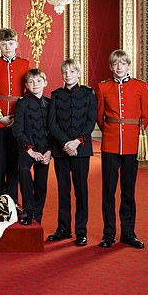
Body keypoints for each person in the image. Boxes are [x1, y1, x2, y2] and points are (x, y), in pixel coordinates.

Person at [96, 49, 148, 249]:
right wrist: (112, 131)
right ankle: (108, 234)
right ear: (111, 67)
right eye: (115, 64)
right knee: (108, 191)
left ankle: (128, 233)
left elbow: (146, 114)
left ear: (129, 66)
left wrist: (132, 133)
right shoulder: (103, 87)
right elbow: (100, 116)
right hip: (110, 145)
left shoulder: (140, 86)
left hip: (131, 145)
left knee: (128, 191)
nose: (119, 67)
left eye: (123, 63)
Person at [47, 59, 97, 246]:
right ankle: (63, 228)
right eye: (65, 72)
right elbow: (52, 123)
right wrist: (66, 143)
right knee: (63, 191)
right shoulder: (56, 95)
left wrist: (76, 142)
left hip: (81, 150)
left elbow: (90, 121)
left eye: (72, 72)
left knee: (81, 191)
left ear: (78, 73)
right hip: (61, 150)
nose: (68, 75)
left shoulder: (88, 94)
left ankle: (81, 231)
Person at [0, 28, 30, 204]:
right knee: (1, 157)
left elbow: (27, 93)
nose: (7, 47)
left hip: (17, 120)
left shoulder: (24, 64)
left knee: (16, 157)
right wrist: (0, 116)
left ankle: (12, 195)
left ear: (16, 44)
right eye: (4, 44)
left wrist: (17, 117)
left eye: (11, 43)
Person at [12, 68, 51, 225]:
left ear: (45, 83)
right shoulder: (22, 103)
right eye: (31, 82)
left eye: (38, 81)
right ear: (26, 85)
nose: (35, 84)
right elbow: (17, 129)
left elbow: (53, 129)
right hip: (27, 148)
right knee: (23, 170)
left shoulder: (50, 103)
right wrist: (29, 150)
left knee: (41, 184)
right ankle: (28, 211)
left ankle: (38, 213)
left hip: (44, 149)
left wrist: (49, 151)